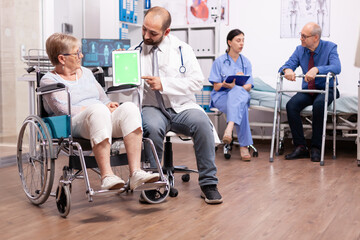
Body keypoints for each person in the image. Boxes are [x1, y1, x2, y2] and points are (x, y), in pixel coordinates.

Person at [41, 33, 159, 191]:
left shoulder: (87, 73)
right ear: (62, 58)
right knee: (97, 111)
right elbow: (63, 109)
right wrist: (96, 108)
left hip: (100, 116)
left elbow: (103, 98)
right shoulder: (49, 80)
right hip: (74, 123)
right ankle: (107, 176)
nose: (81, 55)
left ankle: (136, 172)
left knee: (129, 108)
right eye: (77, 53)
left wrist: (109, 105)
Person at [135, 6, 222, 204]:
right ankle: (154, 183)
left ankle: (209, 184)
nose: (146, 35)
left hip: (181, 107)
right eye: (144, 29)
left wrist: (164, 84)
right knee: (153, 128)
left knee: (202, 124)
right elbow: (125, 89)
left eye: (153, 32)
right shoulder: (135, 53)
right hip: (152, 108)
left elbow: (197, 82)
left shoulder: (183, 50)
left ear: (167, 32)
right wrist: (123, 66)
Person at [279, 22, 341, 162]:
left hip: (327, 89)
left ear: (316, 38)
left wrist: (317, 69)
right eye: (300, 35)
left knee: (319, 105)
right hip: (309, 89)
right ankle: (300, 147)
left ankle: (316, 148)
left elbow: (336, 67)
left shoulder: (330, 47)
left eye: (304, 36)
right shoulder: (300, 49)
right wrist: (287, 70)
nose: (301, 38)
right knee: (291, 105)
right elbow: (287, 64)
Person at [208, 29, 254, 161]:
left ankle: (229, 128)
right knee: (242, 106)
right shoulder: (219, 62)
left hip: (240, 94)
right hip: (221, 96)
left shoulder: (246, 62)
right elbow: (216, 86)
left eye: (243, 40)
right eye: (238, 40)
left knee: (238, 92)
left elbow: (248, 86)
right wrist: (225, 84)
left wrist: (235, 86)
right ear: (229, 42)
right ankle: (244, 146)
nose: (241, 44)